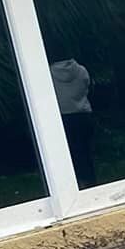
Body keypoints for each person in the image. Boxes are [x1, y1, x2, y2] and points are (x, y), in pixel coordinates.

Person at [49, 57, 95, 187]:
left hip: (63, 117)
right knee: (85, 152)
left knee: (67, 155)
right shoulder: (82, 70)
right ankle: (89, 181)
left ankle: (73, 184)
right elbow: (87, 87)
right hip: (83, 115)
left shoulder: (49, 73)